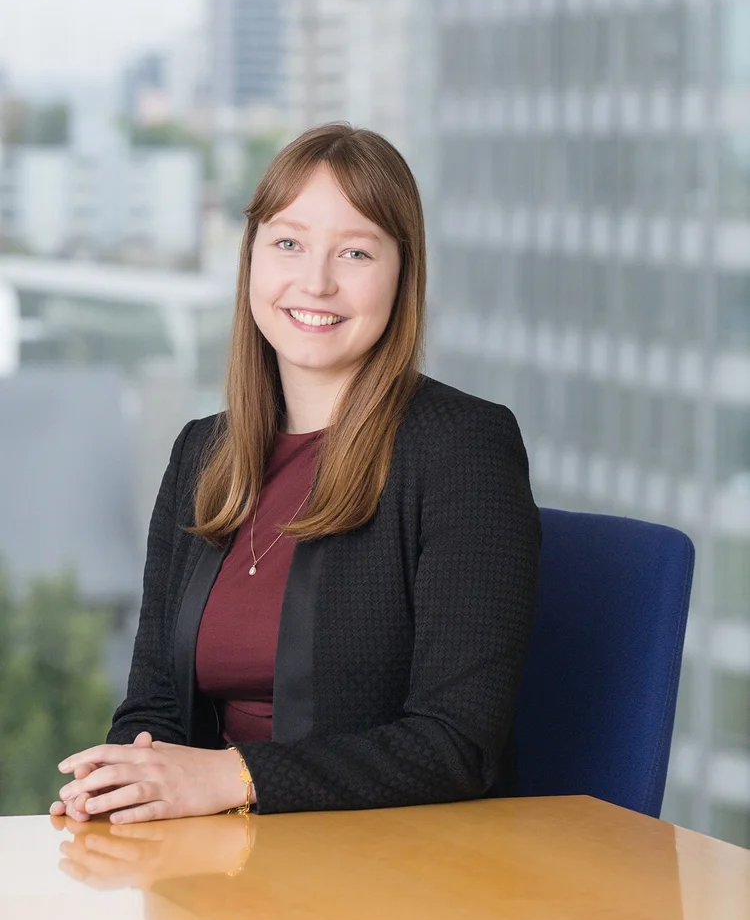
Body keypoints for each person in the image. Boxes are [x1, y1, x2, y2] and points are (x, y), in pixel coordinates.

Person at [50, 122, 541, 823]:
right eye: (288, 243)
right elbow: (154, 701)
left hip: (393, 878)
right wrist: (123, 780)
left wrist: (232, 777)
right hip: (214, 872)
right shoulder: (200, 453)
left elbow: (457, 743)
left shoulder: (462, 447)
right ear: (252, 258)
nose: (316, 281)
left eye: (355, 251)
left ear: (402, 273)